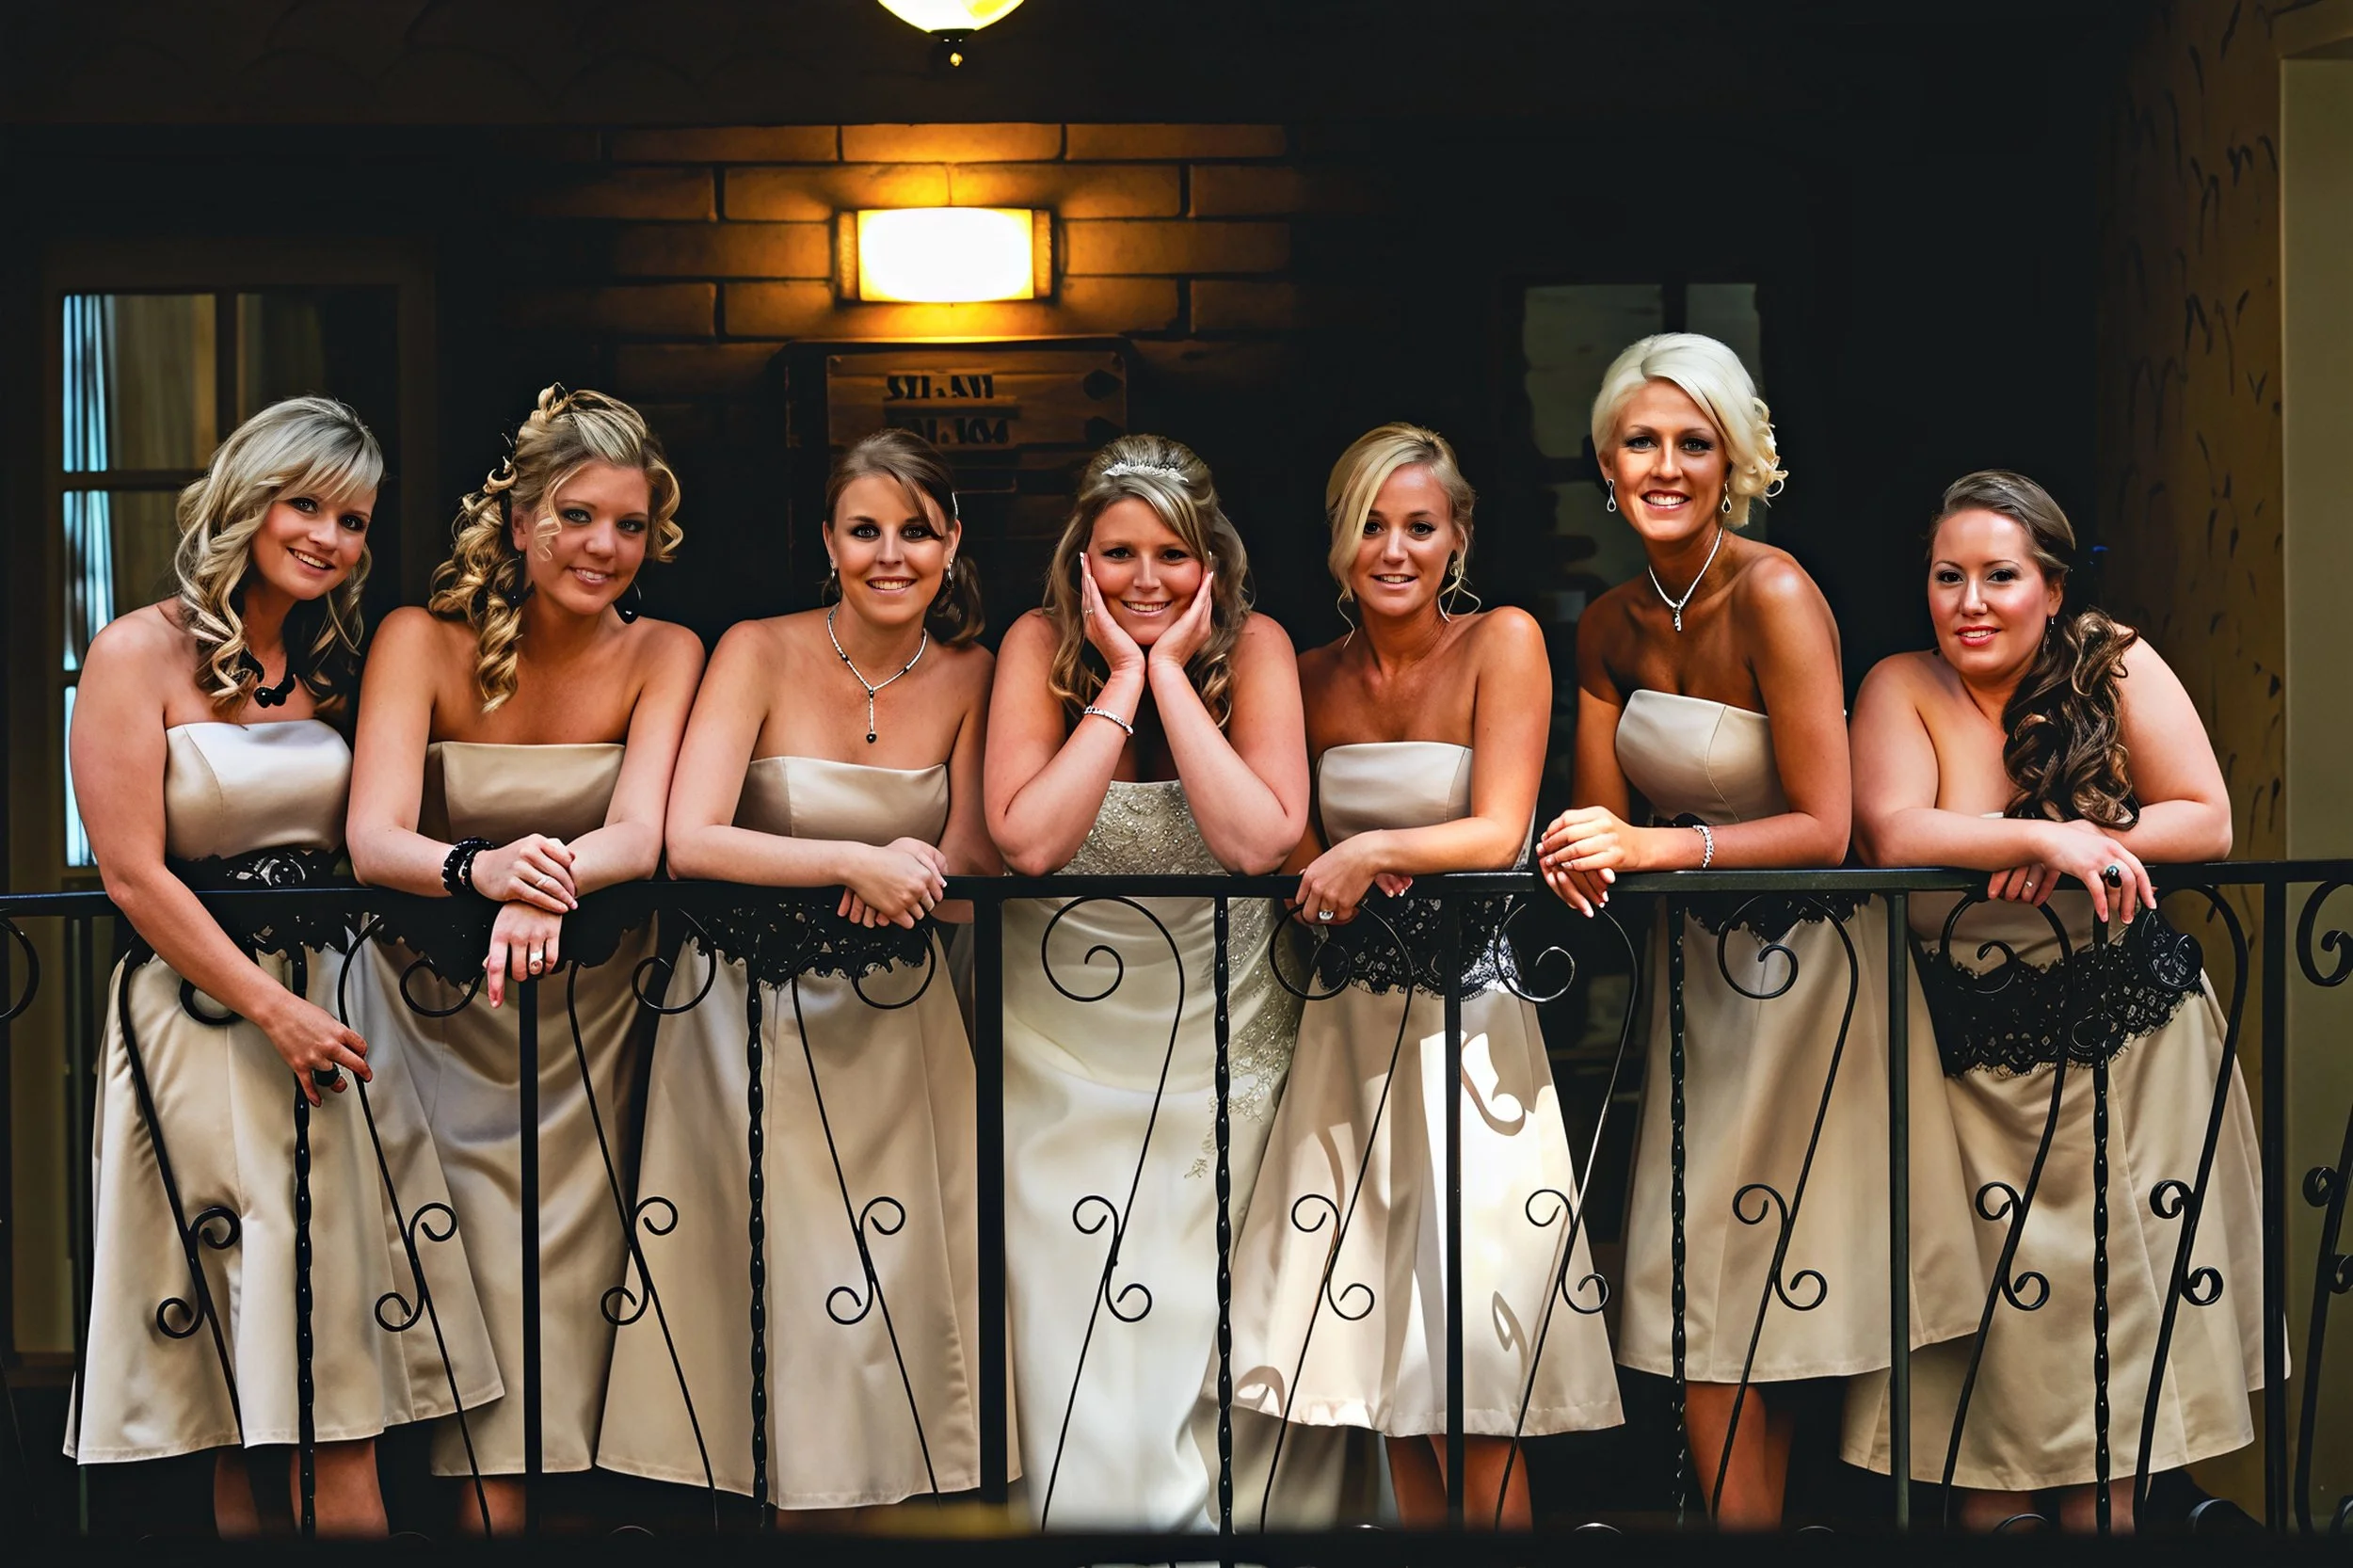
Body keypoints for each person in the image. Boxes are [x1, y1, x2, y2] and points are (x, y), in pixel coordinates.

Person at [1538, 334, 1977, 1528]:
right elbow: (1601, 819)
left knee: (1755, 1287)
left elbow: (1828, 825)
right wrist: (1576, 853)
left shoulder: (1776, 592)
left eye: (1693, 443)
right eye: (1641, 442)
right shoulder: (1608, 626)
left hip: (1810, 974)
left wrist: (1654, 849)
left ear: (1732, 460)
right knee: (1705, 1293)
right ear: (1606, 461)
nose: (1666, 464)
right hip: (1695, 979)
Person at [66, 396, 496, 1535]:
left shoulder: (331, 662)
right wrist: (271, 1009)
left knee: (311, 1370)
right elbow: (131, 874)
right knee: (254, 1375)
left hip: (338, 1016)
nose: (329, 536)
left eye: (352, 518)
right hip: (206, 1020)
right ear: (247, 504)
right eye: (305, 504)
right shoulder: (134, 650)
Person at [1839, 470, 2265, 1531]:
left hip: (2131, 1054)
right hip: (1968, 1075)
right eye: (1948, 577)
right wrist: (2039, 834)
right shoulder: (1900, 685)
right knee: (1989, 1401)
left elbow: (2205, 818)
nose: (1970, 601)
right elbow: (1893, 829)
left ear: (2051, 588)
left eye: (1998, 576)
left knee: (2108, 1391)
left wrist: (2092, 848)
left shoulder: (2112, 663)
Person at [598, 428, 1000, 1518]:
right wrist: (852, 859)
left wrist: (909, 871)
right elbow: (691, 836)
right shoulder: (757, 651)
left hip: (897, 1032)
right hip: (748, 1025)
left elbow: (967, 860)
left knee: (886, 1322)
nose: (890, 553)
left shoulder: (974, 673)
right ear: (828, 541)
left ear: (951, 542)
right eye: (864, 529)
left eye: (915, 531)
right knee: (780, 1315)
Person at [1227, 424, 1624, 1528]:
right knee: (1389, 1367)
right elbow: (1283, 835)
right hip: (1348, 1027)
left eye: (1418, 525)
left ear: (1457, 540)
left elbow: (1501, 829)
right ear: (1339, 542)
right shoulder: (1307, 675)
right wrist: (1328, 861)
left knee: (1475, 1360)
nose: (1393, 549)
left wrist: (1372, 851)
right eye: (1371, 525)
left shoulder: (1502, 641)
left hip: (1471, 1032)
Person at [984, 434, 1368, 1528]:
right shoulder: (1031, 647)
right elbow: (1029, 839)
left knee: (1216, 1302)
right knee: (1078, 1303)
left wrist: (1172, 682)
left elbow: (1256, 840)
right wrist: (1117, 681)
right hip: (1057, 1042)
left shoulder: (1259, 651)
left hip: (1229, 1028)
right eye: (1116, 554)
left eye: (1171, 554)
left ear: (1214, 564)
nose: (1143, 579)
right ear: (1078, 560)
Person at [344, 386, 702, 1532]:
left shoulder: (666, 650)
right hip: (435, 1019)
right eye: (577, 515)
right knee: (465, 1285)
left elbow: (643, 833)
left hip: (597, 1022)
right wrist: (485, 874)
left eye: (630, 525)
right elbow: (375, 836)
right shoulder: (419, 639)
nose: (604, 545)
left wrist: (543, 881)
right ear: (517, 521)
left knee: (571, 1298)